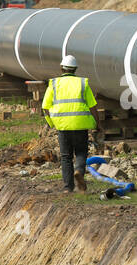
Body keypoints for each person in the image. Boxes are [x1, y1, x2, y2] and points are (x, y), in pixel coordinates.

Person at [41, 55, 100, 193]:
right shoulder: (82, 83)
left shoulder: (54, 84)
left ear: (62, 68)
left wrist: (52, 123)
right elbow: (93, 106)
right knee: (81, 152)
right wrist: (98, 123)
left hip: (62, 126)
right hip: (80, 124)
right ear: (75, 69)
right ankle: (79, 171)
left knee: (66, 156)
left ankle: (68, 187)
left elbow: (45, 106)